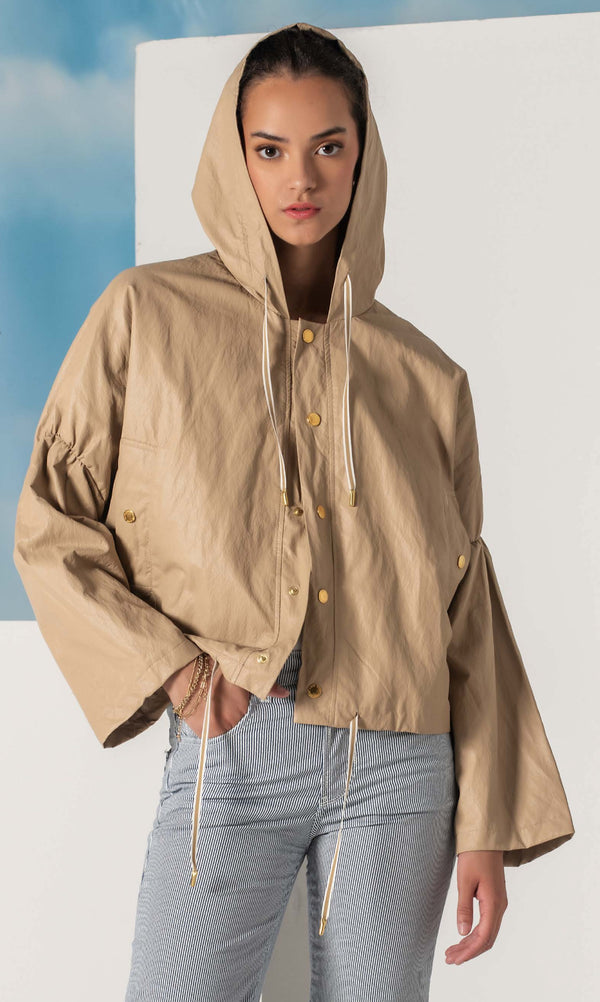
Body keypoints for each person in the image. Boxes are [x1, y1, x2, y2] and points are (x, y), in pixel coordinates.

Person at [13, 21, 575, 1002]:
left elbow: (466, 611)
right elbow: (50, 523)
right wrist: (177, 673)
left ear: (364, 156)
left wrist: (486, 824)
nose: (300, 178)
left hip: (400, 766)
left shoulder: (428, 379)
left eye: (328, 146)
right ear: (234, 158)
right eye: (269, 149)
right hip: (234, 746)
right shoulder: (145, 316)